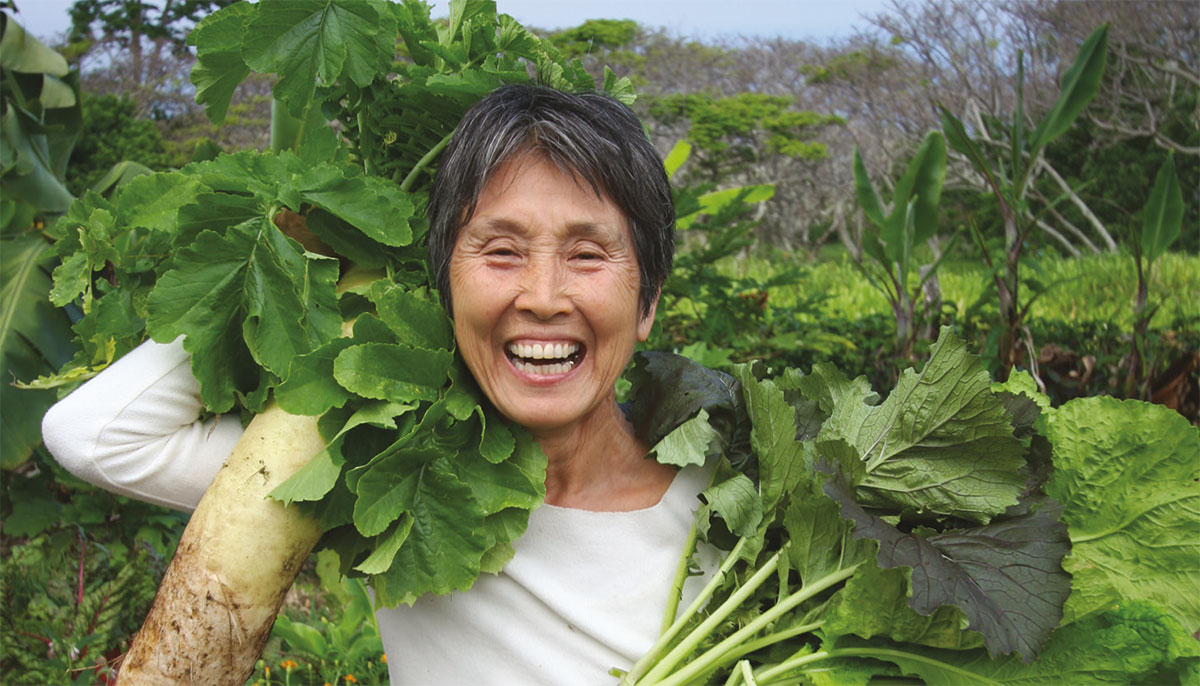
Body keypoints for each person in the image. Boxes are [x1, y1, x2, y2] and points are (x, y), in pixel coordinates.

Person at [42, 84, 717, 684]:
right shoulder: (385, 478)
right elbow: (94, 435)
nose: (542, 296)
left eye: (587, 255)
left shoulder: (730, 522)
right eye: (501, 251)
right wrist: (305, 257)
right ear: (444, 287)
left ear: (649, 299)